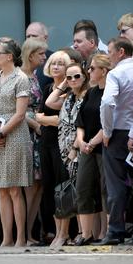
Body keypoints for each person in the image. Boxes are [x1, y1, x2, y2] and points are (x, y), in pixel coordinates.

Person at [98, 38, 133, 245]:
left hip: (118, 133)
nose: (108, 56)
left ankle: (116, 229)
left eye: (109, 52)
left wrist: (107, 131)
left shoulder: (115, 74)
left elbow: (108, 102)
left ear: (120, 52)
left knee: (116, 184)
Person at [0, 38, 33, 248]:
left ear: (9, 57)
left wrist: (1, 133)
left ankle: (20, 237)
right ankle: (6, 237)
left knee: (14, 189)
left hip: (14, 136)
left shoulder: (20, 78)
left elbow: (21, 114)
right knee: (1, 189)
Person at [45, 60, 87, 247]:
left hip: (77, 149)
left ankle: (81, 232)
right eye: (69, 77)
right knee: (67, 191)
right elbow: (49, 102)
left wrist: (75, 149)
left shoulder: (86, 96)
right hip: (63, 150)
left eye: (76, 76)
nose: (72, 80)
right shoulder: (67, 97)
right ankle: (66, 233)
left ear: (84, 77)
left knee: (79, 191)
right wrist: (63, 84)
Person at [75, 54, 110, 244]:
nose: (89, 71)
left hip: (103, 146)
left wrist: (92, 142)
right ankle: (86, 233)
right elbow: (80, 120)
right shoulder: (91, 92)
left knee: (106, 189)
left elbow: (108, 123)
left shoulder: (111, 92)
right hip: (87, 147)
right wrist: (81, 141)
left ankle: (109, 232)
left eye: (92, 68)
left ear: (103, 71)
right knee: (83, 187)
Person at [37, 50, 72, 242]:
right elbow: (37, 115)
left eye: (60, 63)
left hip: (62, 142)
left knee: (63, 186)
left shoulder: (68, 90)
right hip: (46, 142)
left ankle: (65, 232)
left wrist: (46, 120)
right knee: (49, 187)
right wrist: (48, 120)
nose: (56, 66)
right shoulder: (48, 87)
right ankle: (55, 230)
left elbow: (64, 120)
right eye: (53, 63)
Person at [19, 38, 48, 243]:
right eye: (41, 54)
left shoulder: (35, 76)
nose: (44, 58)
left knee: (38, 184)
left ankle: (30, 231)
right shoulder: (21, 77)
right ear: (30, 56)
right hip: (27, 133)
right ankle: (24, 233)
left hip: (38, 132)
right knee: (29, 185)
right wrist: (36, 125)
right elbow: (17, 110)